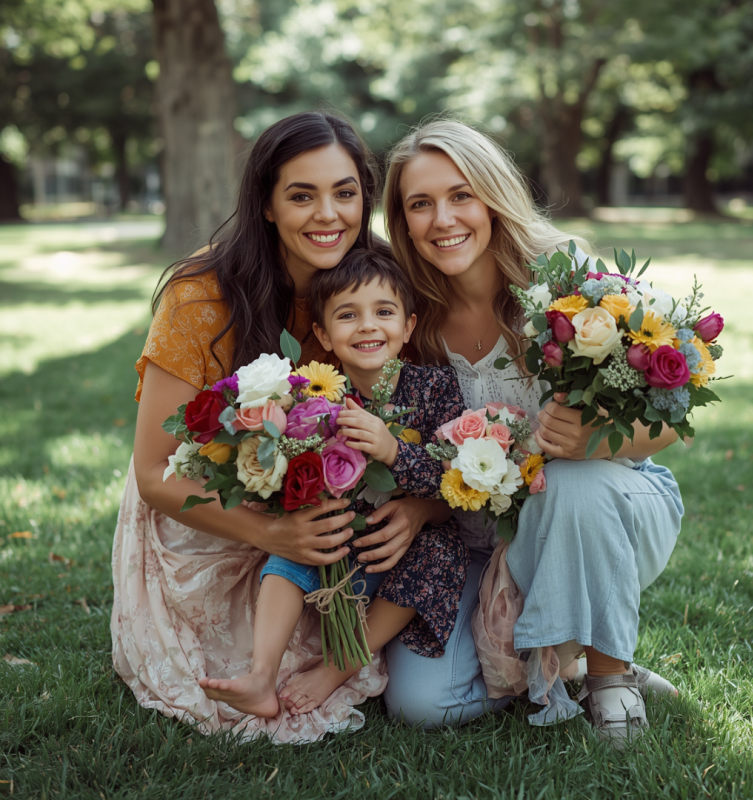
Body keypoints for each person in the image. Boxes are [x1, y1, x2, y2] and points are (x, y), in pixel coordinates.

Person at [111, 112, 450, 743]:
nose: (329, 215)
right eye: (301, 195)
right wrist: (277, 532)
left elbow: (421, 425)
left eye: (345, 193)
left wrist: (420, 510)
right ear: (266, 204)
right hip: (212, 500)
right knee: (252, 649)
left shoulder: (376, 288)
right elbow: (154, 473)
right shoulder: (201, 297)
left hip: (337, 499)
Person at [381, 119, 684, 746]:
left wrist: (593, 440)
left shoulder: (566, 281)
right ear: (402, 219)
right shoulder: (403, 312)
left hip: (609, 511)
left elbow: (671, 428)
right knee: (422, 704)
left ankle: (609, 674)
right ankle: (563, 655)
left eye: (460, 195)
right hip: (480, 543)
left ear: (492, 194)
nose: (443, 219)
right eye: (421, 203)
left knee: (569, 479)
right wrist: (418, 504)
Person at [199, 248, 469, 718]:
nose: (367, 326)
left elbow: (451, 484)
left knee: (441, 552)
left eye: (383, 312)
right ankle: (261, 675)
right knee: (294, 545)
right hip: (341, 542)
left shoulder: (436, 388)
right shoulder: (315, 398)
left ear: (408, 326)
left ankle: (339, 666)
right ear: (322, 334)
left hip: (408, 546)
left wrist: (393, 451)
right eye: (348, 315)